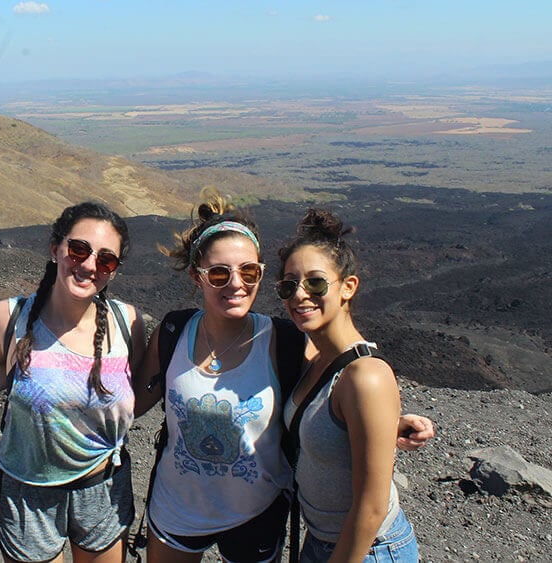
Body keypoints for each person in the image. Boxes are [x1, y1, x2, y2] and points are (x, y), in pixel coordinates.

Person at [132, 195, 432, 563]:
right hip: (177, 508)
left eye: (249, 272)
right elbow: (127, 406)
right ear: (198, 277)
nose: (236, 284)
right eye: (219, 274)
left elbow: (335, 397)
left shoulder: (286, 342)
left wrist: (384, 423)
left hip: (258, 512)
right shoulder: (173, 333)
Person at [0, 201, 147, 563]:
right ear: (55, 249)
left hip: (104, 487)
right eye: (78, 249)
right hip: (26, 490)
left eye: (105, 259)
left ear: (114, 270)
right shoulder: (10, 319)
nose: (88, 264)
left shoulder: (127, 323)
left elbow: (140, 390)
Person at [277, 208, 418, 562]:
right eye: (289, 285)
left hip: (368, 550)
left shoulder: (364, 375)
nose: (299, 295)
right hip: (321, 541)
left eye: (315, 282)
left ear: (348, 287)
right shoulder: (313, 360)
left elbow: (371, 508)